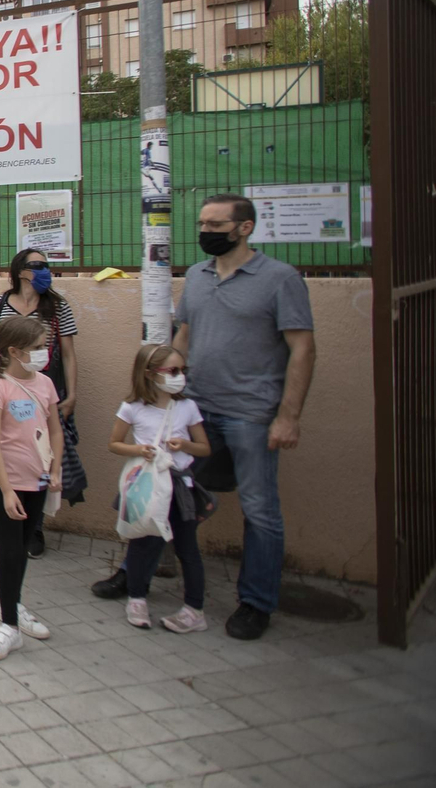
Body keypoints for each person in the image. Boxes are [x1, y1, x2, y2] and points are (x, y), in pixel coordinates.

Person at [169, 193, 312, 641]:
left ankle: (256, 602)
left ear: (244, 227)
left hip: (251, 414)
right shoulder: (197, 275)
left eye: (216, 225)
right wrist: (168, 378)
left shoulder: (280, 279)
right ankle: (138, 570)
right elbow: (185, 335)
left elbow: (302, 349)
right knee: (165, 490)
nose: (206, 232)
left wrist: (288, 416)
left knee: (260, 510)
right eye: (202, 224)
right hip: (196, 408)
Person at [0, 248, 85, 557]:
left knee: (42, 452)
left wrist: (72, 393)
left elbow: (68, 353)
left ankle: (34, 526)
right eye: (37, 265)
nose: (44, 270)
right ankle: (6, 519)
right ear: (20, 270)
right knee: (4, 448)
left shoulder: (57, 306)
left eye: (45, 265)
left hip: (43, 388)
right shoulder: (1, 304)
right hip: (5, 387)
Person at [110, 343, 212, 634]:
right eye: (173, 370)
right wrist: (138, 449)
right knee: (144, 542)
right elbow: (114, 442)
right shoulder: (132, 408)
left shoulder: (187, 407)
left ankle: (194, 609)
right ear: (150, 373)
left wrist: (186, 444)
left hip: (180, 487)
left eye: (183, 370)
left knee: (187, 547)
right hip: (149, 487)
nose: (180, 376)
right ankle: (137, 598)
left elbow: (204, 448)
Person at [0, 316, 60, 661]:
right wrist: (7, 490)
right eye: (38, 348)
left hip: (38, 479)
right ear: (14, 351)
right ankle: (9, 627)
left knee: (25, 545)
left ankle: (11, 603)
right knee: (10, 548)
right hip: (6, 481)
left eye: (45, 346)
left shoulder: (45, 384)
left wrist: (55, 468)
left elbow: (54, 428)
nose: (44, 353)